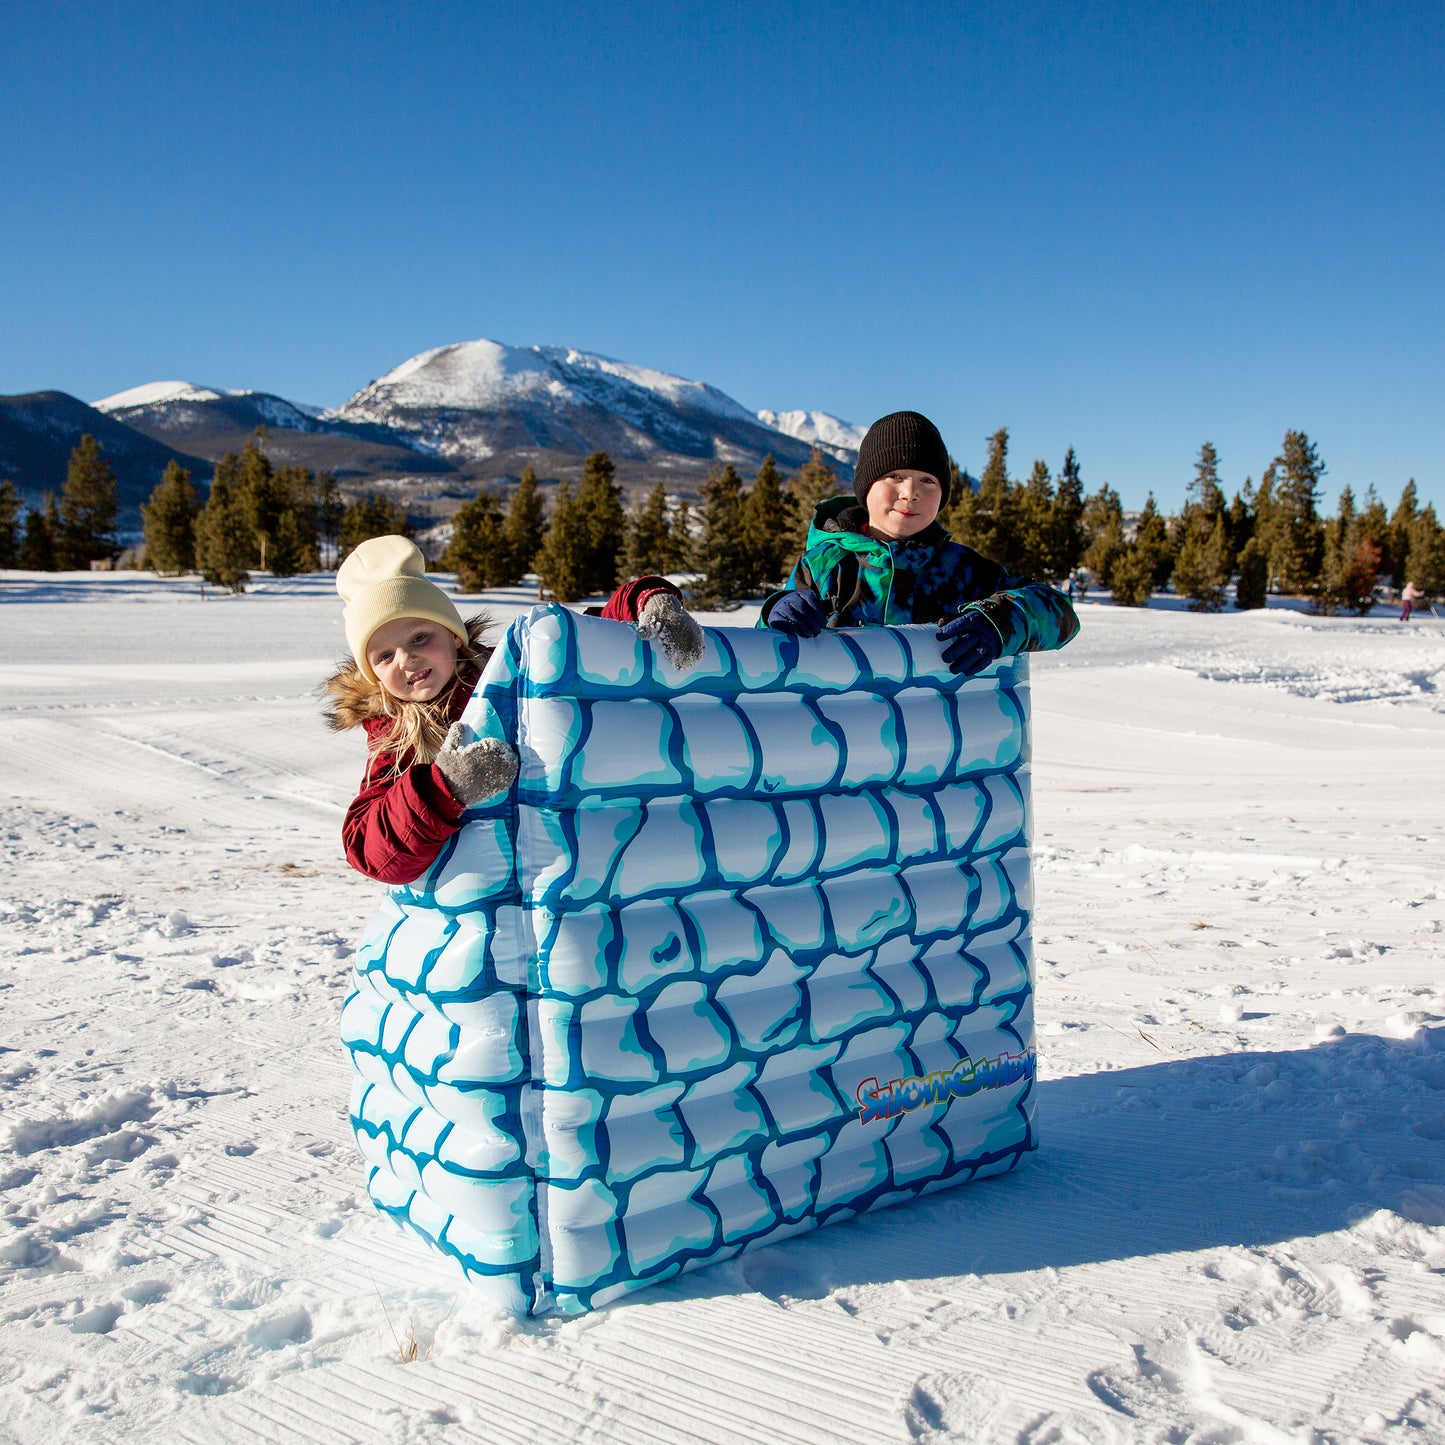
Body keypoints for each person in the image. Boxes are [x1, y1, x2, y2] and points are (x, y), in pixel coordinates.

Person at [322, 536, 702, 883]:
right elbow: (371, 853)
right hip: (494, 908)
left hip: (583, 871)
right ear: (372, 673)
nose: (407, 659)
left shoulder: (514, 672)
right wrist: (442, 789)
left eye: (420, 637)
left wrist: (646, 600)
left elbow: (588, 641)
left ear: (455, 636)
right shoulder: (396, 739)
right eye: (385, 655)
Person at [761, 411, 1079, 673]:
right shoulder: (823, 565)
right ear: (866, 486)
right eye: (895, 476)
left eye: (927, 481)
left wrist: (1001, 623)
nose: (910, 492)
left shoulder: (966, 571)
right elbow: (762, 659)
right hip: (838, 736)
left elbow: (1061, 613)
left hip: (936, 740)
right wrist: (775, 613)